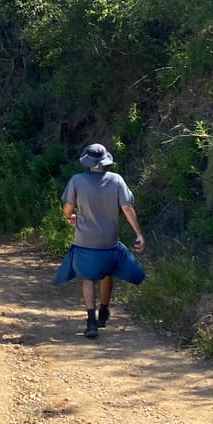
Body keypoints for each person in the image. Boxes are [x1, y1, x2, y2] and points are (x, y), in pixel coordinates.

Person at [52, 143, 146, 339]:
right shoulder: (116, 180)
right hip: (109, 242)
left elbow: (67, 210)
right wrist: (139, 234)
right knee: (107, 271)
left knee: (87, 278)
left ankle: (91, 321)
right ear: (105, 160)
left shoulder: (77, 180)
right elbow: (128, 209)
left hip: (85, 241)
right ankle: (104, 310)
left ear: (87, 161)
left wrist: (71, 218)